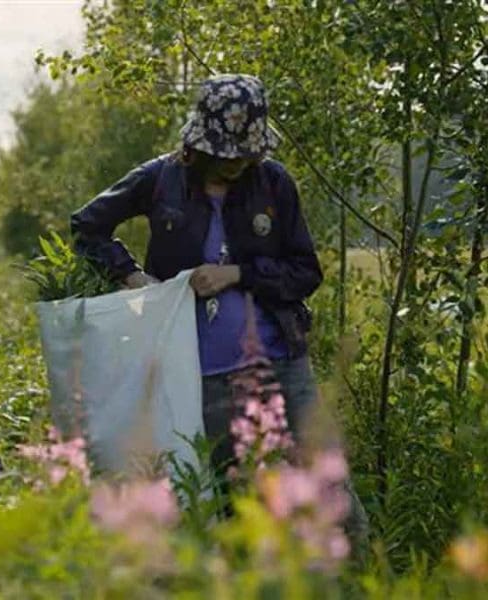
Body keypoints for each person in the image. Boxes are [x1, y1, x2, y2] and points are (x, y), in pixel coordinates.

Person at [71, 74, 368, 546]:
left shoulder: (274, 183)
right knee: (229, 495)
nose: (235, 162)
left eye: (244, 152)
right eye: (225, 152)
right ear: (201, 144)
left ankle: (359, 576)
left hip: (282, 362)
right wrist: (131, 276)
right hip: (197, 370)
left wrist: (238, 275)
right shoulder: (160, 180)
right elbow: (87, 226)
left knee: (329, 484)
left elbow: (305, 271)